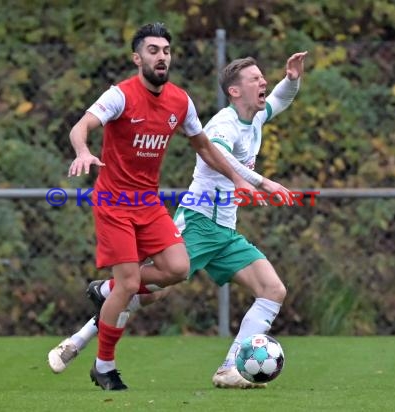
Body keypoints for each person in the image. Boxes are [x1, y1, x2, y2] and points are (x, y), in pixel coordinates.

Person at [49, 50, 308, 389]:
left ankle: (231, 367)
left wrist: (292, 79)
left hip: (225, 232)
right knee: (144, 294)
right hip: (199, 223)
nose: (263, 82)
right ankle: (80, 336)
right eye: (255, 79)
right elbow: (220, 153)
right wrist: (262, 181)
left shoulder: (254, 119)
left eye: (263, 78)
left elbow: (280, 99)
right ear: (234, 91)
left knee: (272, 289)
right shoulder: (223, 124)